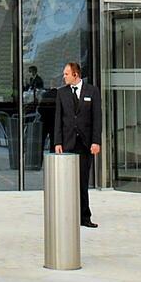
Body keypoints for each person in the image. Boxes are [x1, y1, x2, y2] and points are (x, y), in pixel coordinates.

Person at [53, 61, 102, 228]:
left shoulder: (92, 91)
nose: (64, 76)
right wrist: (57, 141)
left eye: (66, 74)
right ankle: (67, 216)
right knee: (66, 182)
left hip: (85, 144)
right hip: (67, 143)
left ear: (75, 74)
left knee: (82, 181)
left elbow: (97, 118)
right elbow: (58, 119)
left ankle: (84, 217)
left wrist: (96, 141)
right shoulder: (61, 93)